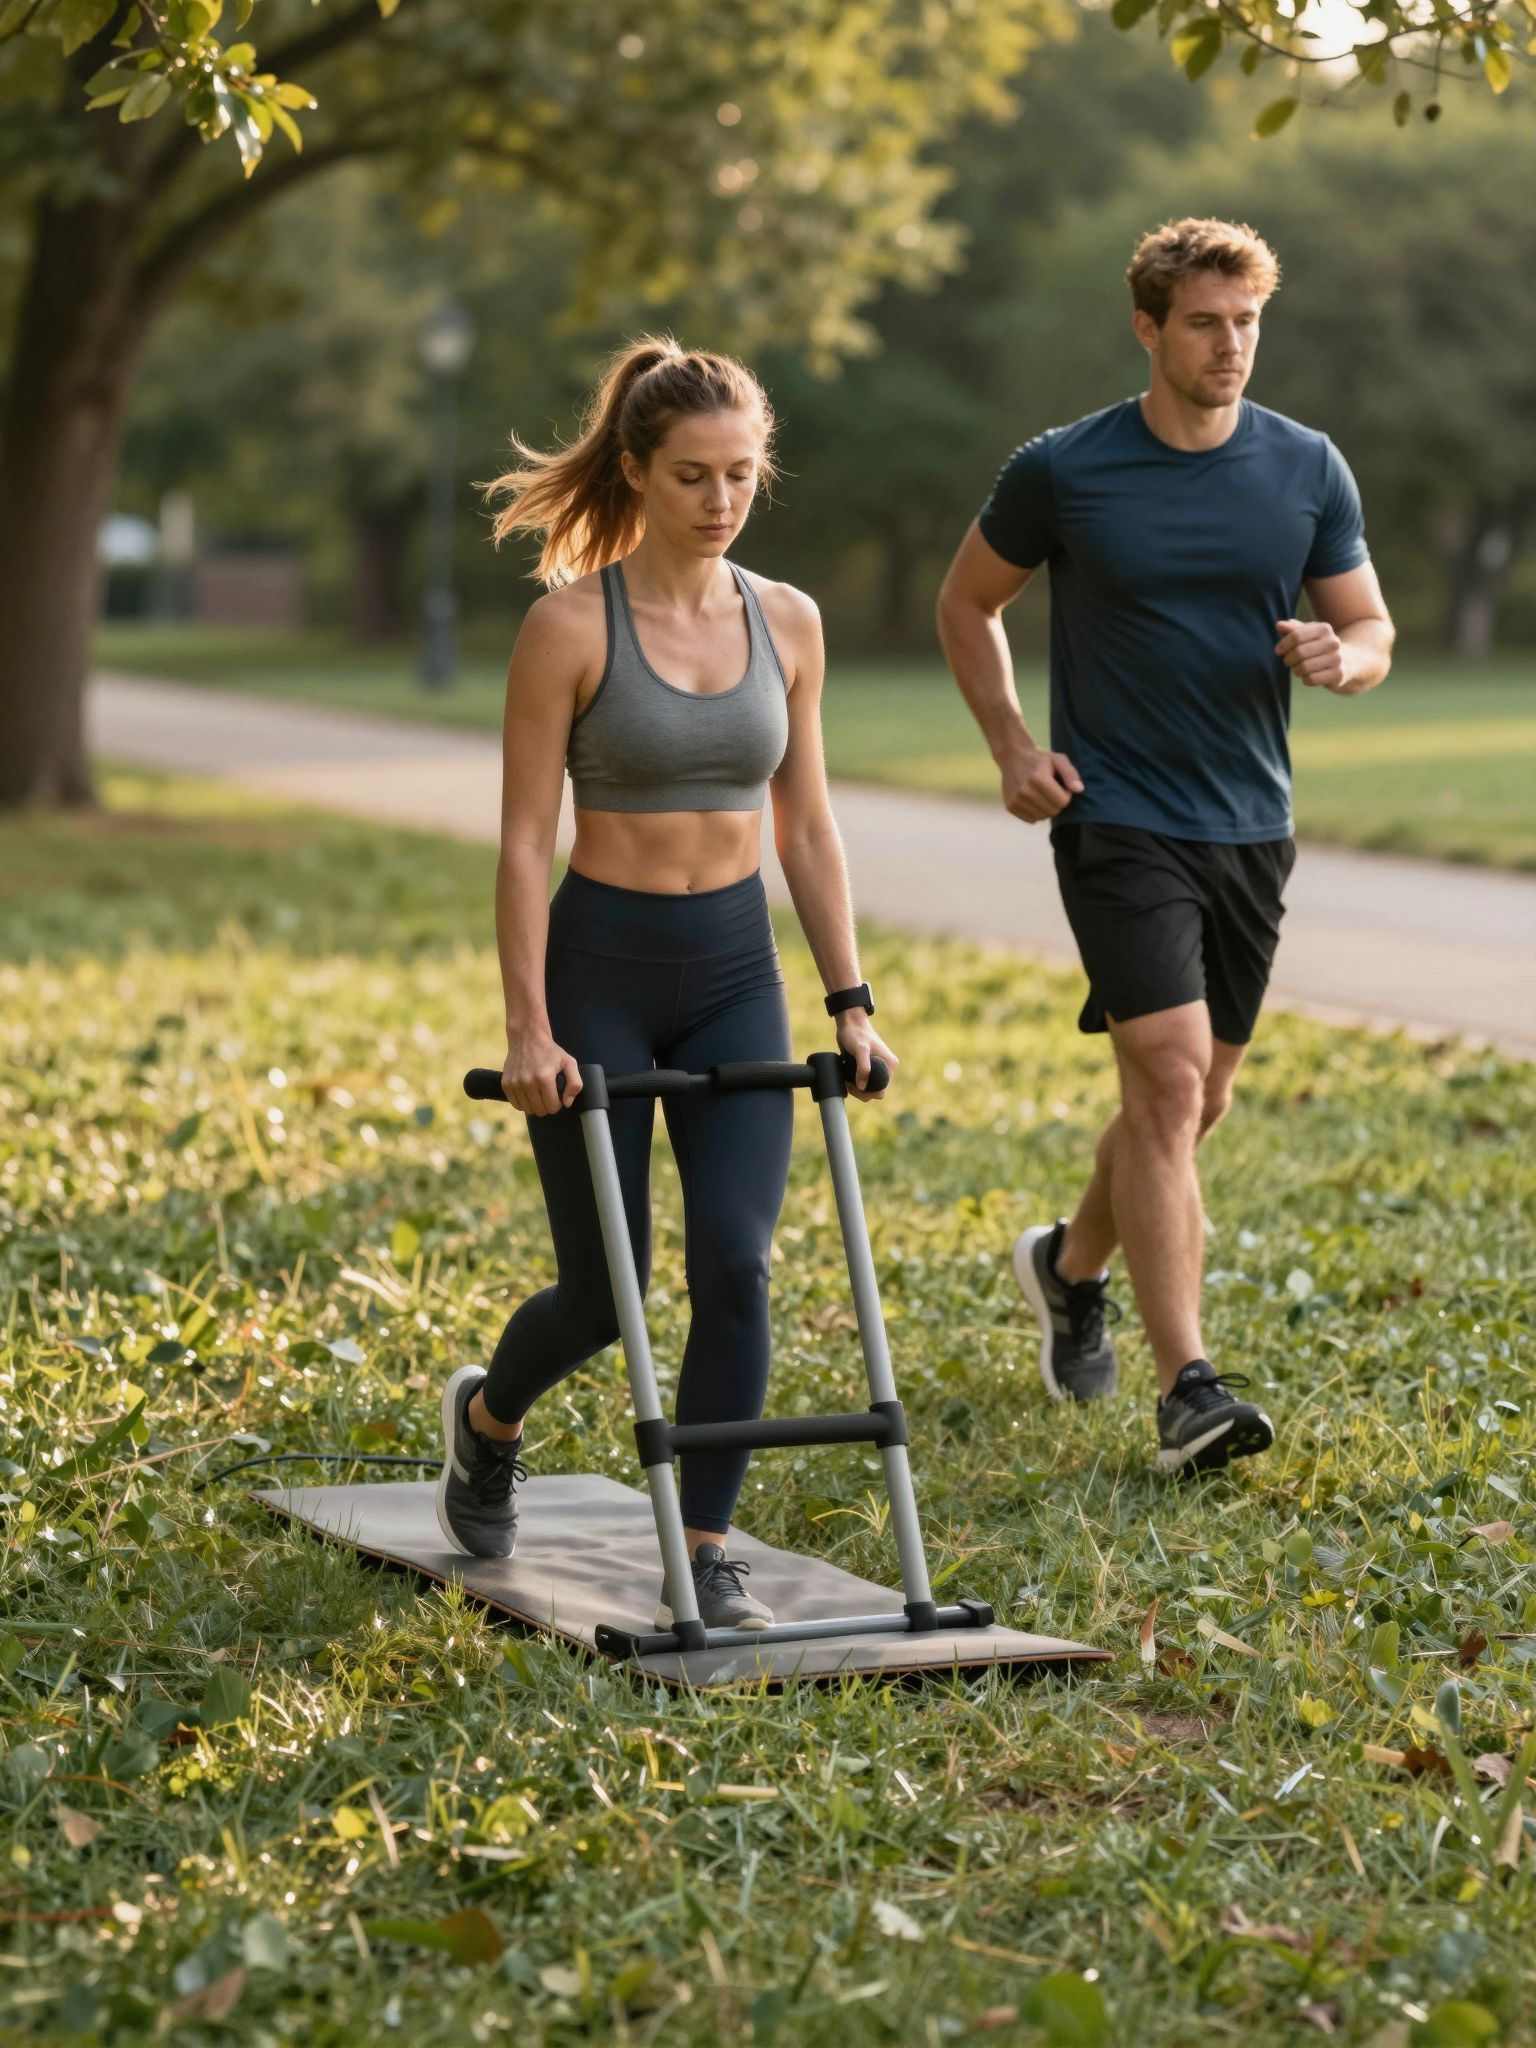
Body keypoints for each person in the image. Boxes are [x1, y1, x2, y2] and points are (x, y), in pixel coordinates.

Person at [435, 337, 897, 1627]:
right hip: (602, 972)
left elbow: (805, 826)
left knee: (738, 1267)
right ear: (636, 472)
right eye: (692, 474)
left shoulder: (788, 620)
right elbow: (528, 839)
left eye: (742, 473)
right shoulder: (569, 625)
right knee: (607, 1290)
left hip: (735, 970)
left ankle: (704, 1546)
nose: (719, 498)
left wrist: (850, 999)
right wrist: (527, 1024)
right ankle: (488, 1417)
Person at [936, 218, 1394, 1473]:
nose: (1230, 344)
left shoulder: (1307, 467)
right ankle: (1188, 1385)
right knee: (1172, 1076)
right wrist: (1015, 748)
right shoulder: (1064, 469)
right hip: (1118, 812)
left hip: (1252, 821)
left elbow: (1369, 625)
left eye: (1246, 321)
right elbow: (967, 602)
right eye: (1204, 321)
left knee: (1196, 1103)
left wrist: (1336, 658)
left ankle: (1069, 1266)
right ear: (1149, 327)